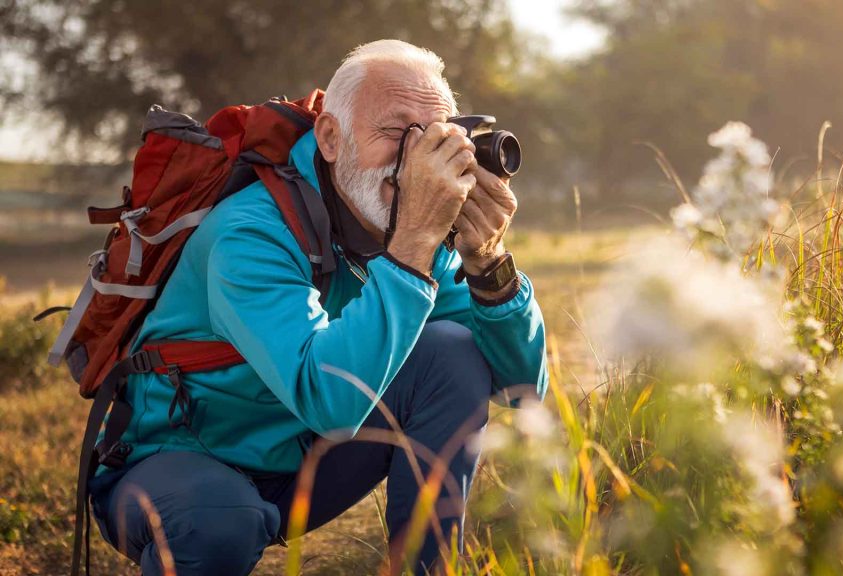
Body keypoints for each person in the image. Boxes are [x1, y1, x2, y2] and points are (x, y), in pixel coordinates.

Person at [87, 39, 548, 575]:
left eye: (434, 135)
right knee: (220, 522)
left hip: (300, 462)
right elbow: (330, 401)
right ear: (331, 138)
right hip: (179, 467)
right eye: (398, 133)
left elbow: (524, 393)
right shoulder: (249, 231)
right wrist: (412, 247)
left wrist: (487, 262)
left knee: (452, 352)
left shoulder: (413, 232)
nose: (417, 158)